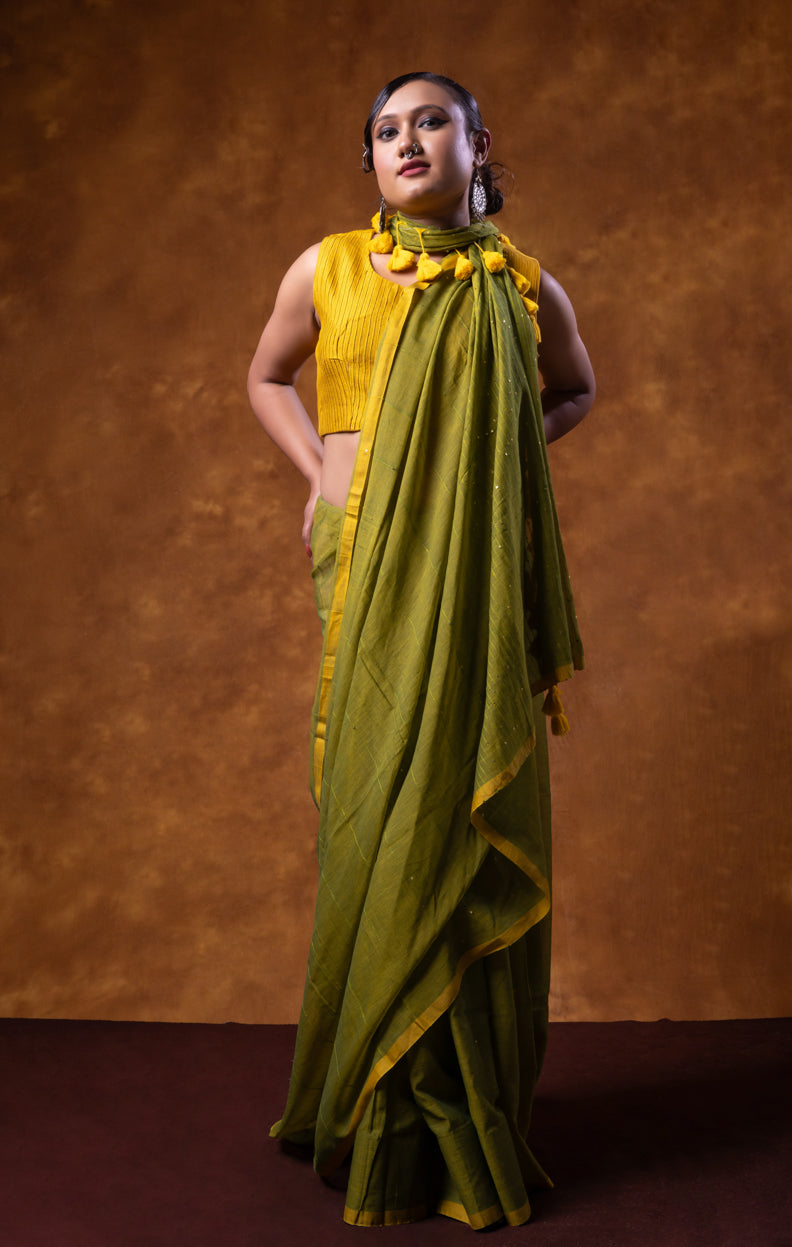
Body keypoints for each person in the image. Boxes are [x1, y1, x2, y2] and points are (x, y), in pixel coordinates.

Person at [247, 71, 595, 1229]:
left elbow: (573, 393)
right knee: (377, 807)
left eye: (428, 120)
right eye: (385, 130)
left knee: (457, 806)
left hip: (473, 567)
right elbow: (264, 377)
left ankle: (464, 1096)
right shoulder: (328, 266)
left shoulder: (524, 285)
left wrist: (487, 466)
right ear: (373, 163)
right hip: (367, 560)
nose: (405, 140)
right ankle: (369, 1101)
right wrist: (321, 481)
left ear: (476, 141)